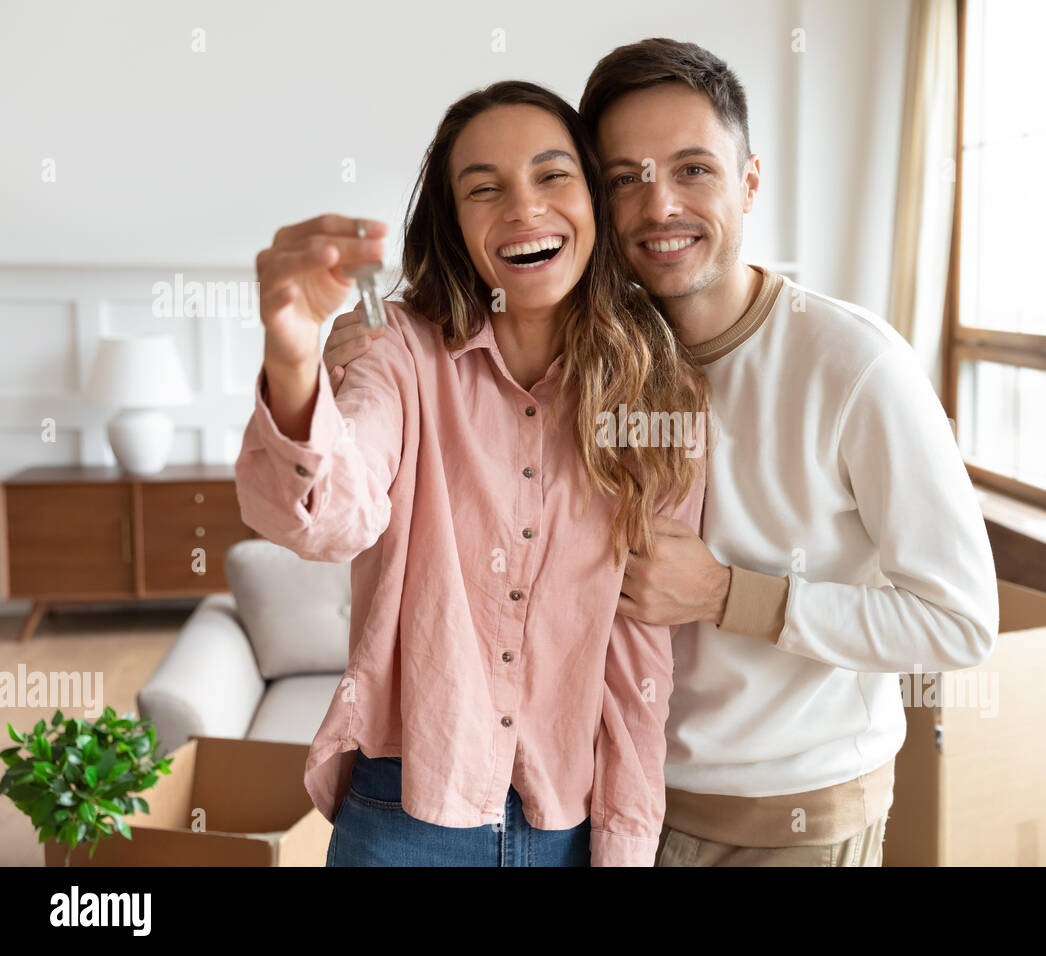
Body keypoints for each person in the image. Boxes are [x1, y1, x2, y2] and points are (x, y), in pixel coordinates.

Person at [326, 39, 999, 868]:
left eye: (693, 170)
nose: (658, 207)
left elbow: (961, 624)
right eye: (625, 179)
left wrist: (728, 594)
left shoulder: (855, 365)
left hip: (781, 817)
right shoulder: (595, 364)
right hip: (602, 806)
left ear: (748, 181)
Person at [235, 79, 707, 867]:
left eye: (553, 175)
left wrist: (623, 848)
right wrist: (291, 356)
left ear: (593, 199)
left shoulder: (656, 392)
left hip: (569, 824)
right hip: (403, 814)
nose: (524, 209)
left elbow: (639, 661)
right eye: (484, 189)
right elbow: (329, 518)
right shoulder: (397, 352)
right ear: (454, 226)